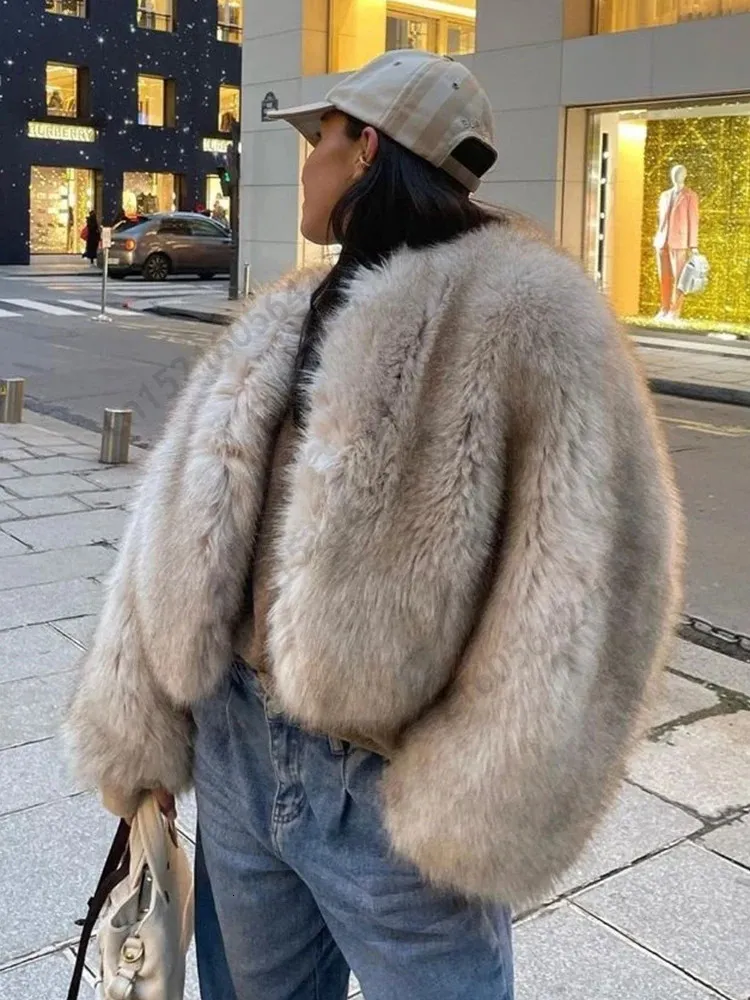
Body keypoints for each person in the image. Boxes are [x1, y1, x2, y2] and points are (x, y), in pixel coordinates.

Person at [68, 51, 682, 999]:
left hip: (387, 793)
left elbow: (595, 578)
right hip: (234, 748)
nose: (306, 162)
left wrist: (475, 797)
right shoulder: (288, 312)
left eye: (319, 137)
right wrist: (139, 724)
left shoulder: (532, 313)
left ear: (367, 148)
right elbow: (175, 520)